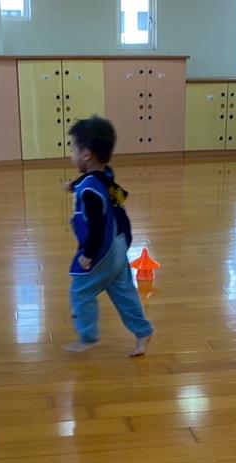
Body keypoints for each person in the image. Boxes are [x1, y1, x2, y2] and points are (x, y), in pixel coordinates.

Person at [65, 115, 153, 357]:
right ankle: (143, 332)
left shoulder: (89, 191)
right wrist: (73, 186)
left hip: (102, 251)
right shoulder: (104, 175)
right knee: (123, 292)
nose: (71, 154)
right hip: (119, 245)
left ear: (86, 154)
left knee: (81, 291)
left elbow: (96, 227)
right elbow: (95, 180)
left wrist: (88, 255)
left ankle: (88, 337)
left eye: (73, 149)